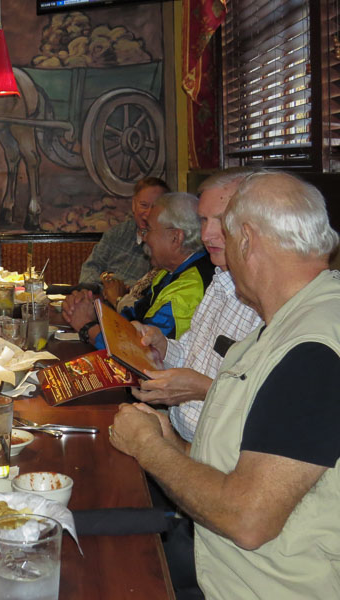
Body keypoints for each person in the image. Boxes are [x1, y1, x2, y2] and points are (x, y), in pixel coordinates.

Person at [110, 171, 340, 598]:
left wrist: (150, 449)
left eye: (228, 238)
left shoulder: (312, 352)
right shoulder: (277, 329)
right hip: (222, 568)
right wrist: (169, 442)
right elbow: (234, 470)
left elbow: (248, 519)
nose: (223, 254)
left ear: (248, 240)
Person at [131, 169, 262, 442]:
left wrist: (203, 389)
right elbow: (190, 353)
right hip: (178, 432)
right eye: (203, 220)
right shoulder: (220, 280)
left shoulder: (267, 298)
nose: (207, 235)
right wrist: (162, 346)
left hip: (212, 456)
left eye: (221, 220)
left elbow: (268, 409)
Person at [64, 192, 214, 347]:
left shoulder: (189, 288)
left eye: (148, 229)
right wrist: (94, 309)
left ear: (175, 237)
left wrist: (87, 327)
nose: (144, 238)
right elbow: (133, 317)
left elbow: (142, 350)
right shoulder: (167, 272)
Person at [78, 176, 169, 289]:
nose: (149, 213)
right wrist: (94, 291)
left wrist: (116, 285)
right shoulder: (116, 234)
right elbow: (91, 268)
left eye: (155, 207)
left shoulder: (169, 245)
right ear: (134, 205)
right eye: (143, 205)